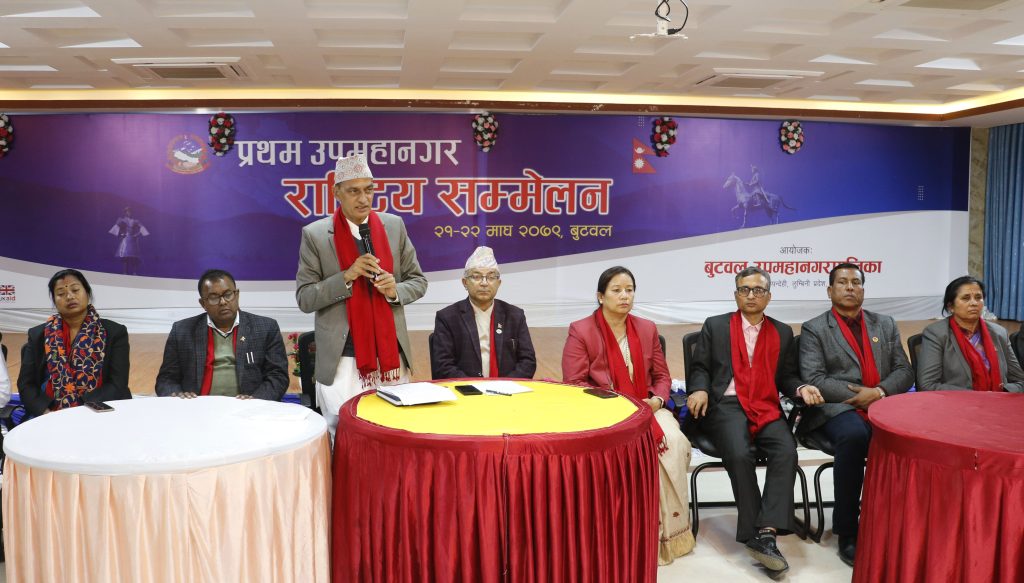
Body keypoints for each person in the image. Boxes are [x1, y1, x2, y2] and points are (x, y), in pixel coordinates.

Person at [687, 266, 822, 575]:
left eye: (758, 290)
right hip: (727, 404)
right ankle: (758, 534)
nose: (751, 295)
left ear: (768, 297)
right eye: (744, 290)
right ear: (736, 295)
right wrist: (699, 389)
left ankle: (766, 533)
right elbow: (700, 367)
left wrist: (800, 387)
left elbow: (786, 376)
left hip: (765, 404)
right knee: (738, 453)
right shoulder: (716, 326)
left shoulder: (782, 332)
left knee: (785, 450)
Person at [561, 266, 695, 565]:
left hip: (648, 409)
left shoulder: (646, 328)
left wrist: (657, 401)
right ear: (601, 296)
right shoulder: (582, 330)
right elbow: (574, 384)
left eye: (629, 290)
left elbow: (662, 376)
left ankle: (668, 536)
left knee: (673, 443)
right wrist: (615, 405)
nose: (625, 296)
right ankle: (621, 535)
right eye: (617, 290)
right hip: (604, 413)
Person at [296, 153, 427, 436]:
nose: (364, 199)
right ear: (336, 193)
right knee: (344, 434)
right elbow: (305, 298)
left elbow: (418, 282)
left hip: (390, 358)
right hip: (342, 358)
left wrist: (394, 291)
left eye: (369, 190)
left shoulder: (394, 226)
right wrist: (346, 276)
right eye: (354, 191)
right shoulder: (316, 235)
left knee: (394, 432)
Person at [799, 262, 914, 567]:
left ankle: (894, 521)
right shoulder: (814, 328)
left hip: (882, 402)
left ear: (863, 289)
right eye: (842, 282)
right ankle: (847, 530)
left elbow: (904, 370)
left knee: (909, 438)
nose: (850, 287)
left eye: (856, 282)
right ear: (829, 290)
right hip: (835, 407)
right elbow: (815, 378)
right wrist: (861, 396)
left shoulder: (884, 324)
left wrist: (878, 392)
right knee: (854, 436)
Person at [155, 269, 290, 400]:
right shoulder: (182, 331)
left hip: (248, 407)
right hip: (197, 407)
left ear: (237, 295)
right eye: (214, 298)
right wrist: (179, 398)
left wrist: (255, 400)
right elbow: (166, 380)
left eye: (228, 294)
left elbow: (278, 376)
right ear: (203, 303)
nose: (223, 302)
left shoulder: (266, 328)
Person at [18, 269, 132, 417]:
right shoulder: (38, 335)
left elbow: (118, 384)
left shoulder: (114, 332)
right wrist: (45, 412)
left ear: (88, 293)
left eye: (75, 290)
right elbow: (26, 384)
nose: (70, 296)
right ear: (54, 301)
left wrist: (79, 410)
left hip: (99, 410)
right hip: (50, 412)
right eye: (61, 293)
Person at [431, 246, 536, 380]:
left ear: (499, 283)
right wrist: (474, 387)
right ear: (465, 282)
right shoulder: (447, 317)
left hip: (508, 389)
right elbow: (443, 366)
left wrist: (505, 386)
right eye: (476, 277)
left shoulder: (515, 315)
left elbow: (528, 362)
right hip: (465, 390)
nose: (484, 283)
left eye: (491, 277)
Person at [917, 276, 1024, 392]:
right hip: (957, 401)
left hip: (997, 399)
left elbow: (1020, 380)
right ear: (950, 306)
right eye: (966, 298)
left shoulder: (999, 333)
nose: (974, 303)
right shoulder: (937, 334)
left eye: (978, 298)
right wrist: (977, 396)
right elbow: (928, 384)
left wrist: (1003, 392)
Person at [108, 206, 149, 275]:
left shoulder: (135, 221)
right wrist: (121, 234)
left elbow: (142, 227)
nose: (129, 213)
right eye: (128, 211)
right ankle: (125, 272)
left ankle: (134, 272)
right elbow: (115, 228)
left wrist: (137, 234)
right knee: (125, 256)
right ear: (125, 212)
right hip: (126, 240)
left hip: (133, 240)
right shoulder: (122, 220)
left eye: (130, 211)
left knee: (134, 257)